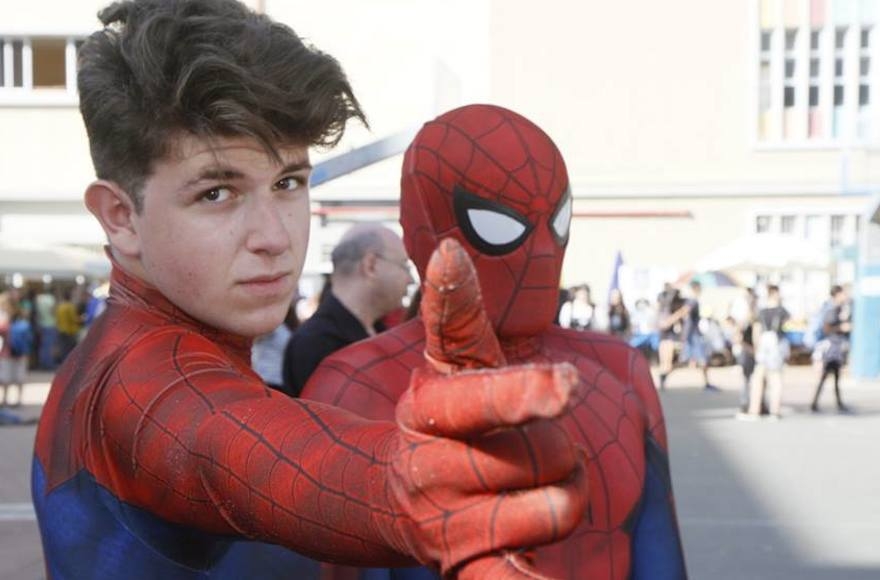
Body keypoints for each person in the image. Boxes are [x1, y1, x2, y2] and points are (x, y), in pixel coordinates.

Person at [31, 4, 589, 579]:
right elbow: (234, 444)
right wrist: (408, 479)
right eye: (217, 194)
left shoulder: (150, 351)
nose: (274, 237)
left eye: (288, 182)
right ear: (120, 216)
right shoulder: (136, 381)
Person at [302, 104, 687, 579]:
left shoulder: (620, 370)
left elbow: (658, 555)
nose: (545, 250)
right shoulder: (355, 385)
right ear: (422, 227)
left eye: (558, 220)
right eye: (500, 224)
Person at [282, 223, 413, 397]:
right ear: (371, 265)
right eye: (404, 265)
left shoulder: (376, 331)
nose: (410, 279)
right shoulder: (317, 343)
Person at [741, 284, 790, 421]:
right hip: (776, 345)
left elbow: (756, 331)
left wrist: (757, 349)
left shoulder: (761, 312)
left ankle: (754, 410)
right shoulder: (782, 311)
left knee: (758, 378)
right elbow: (787, 326)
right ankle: (775, 411)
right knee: (776, 379)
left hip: (763, 346)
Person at [810, 285, 852, 413]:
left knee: (834, 376)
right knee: (827, 375)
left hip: (835, 347)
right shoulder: (831, 309)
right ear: (837, 295)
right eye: (843, 294)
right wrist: (841, 328)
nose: (845, 296)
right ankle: (816, 403)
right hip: (830, 348)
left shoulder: (839, 309)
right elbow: (827, 329)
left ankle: (834, 402)